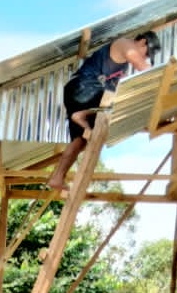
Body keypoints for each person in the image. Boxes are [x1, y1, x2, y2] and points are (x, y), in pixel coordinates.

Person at [45, 31, 158, 196]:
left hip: (81, 97)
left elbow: (117, 87)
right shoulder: (124, 44)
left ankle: (57, 177)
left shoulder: (122, 67)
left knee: (80, 141)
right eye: (146, 52)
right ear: (142, 42)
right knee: (121, 99)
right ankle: (83, 115)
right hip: (83, 88)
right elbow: (142, 67)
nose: (146, 57)